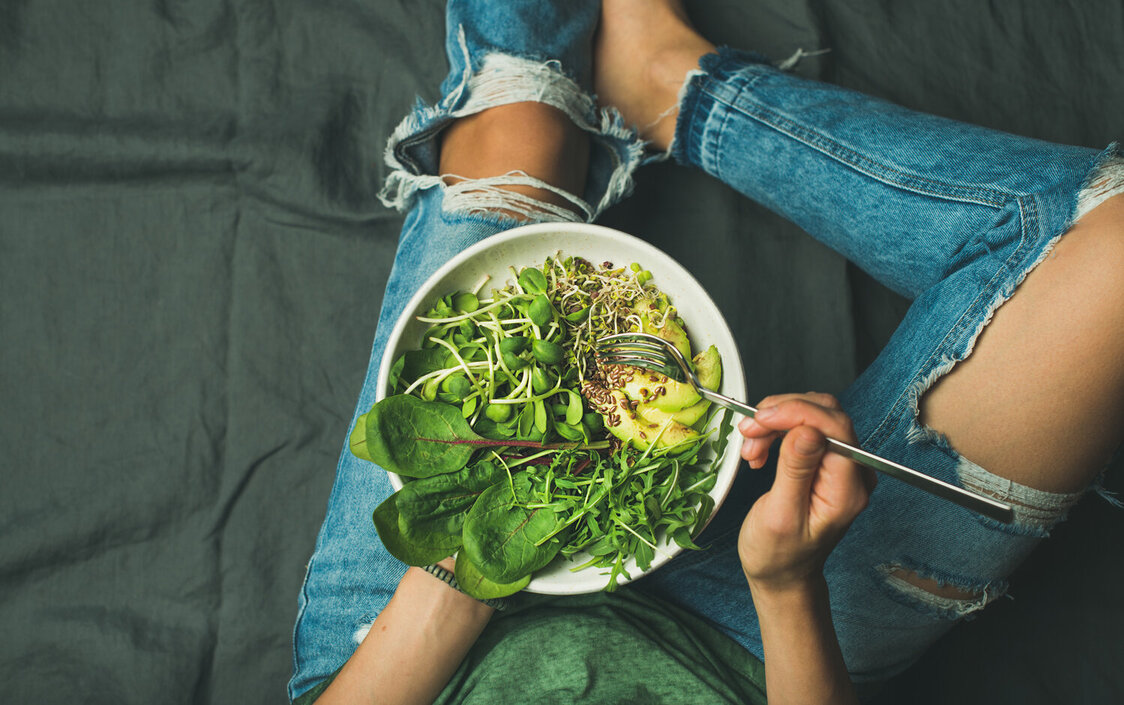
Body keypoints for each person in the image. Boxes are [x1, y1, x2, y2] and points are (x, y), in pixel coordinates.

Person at [288, 1, 1124, 703]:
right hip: (749, 649)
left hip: (413, 660)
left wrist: (451, 579)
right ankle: (682, 93)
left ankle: (641, 85)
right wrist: (787, 584)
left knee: (520, 113)